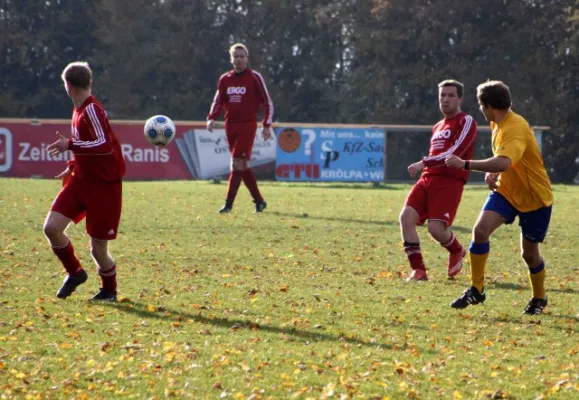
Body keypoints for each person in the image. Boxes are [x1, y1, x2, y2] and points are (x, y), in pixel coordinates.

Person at [445, 80, 552, 315]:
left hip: (534, 198)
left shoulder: (515, 127)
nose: (480, 110)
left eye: (481, 105)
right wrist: (492, 172)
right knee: (480, 231)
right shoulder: (497, 122)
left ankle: (539, 298)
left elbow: (504, 161)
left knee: (529, 254)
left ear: (490, 106)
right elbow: (504, 160)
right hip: (507, 192)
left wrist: (464, 164)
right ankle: (477, 289)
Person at [44, 61, 125, 302]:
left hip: (105, 186)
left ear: (67, 86)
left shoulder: (92, 109)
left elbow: (103, 145)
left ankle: (109, 290)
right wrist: (71, 166)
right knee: (51, 228)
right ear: (89, 82)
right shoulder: (79, 108)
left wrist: (69, 145)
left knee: (98, 249)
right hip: (81, 180)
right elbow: (87, 144)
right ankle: (75, 273)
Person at [400, 79, 478, 281]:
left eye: (451, 95)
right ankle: (418, 270)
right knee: (406, 219)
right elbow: (437, 152)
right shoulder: (438, 126)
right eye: (442, 95)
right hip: (427, 179)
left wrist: (422, 163)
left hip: (449, 181)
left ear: (460, 98)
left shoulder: (466, 121)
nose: (446, 99)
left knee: (436, 229)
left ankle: (457, 250)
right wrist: (426, 166)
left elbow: (454, 153)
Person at [206, 43, 274, 213]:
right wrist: (211, 118)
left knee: (236, 162)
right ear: (231, 59)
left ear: (247, 58)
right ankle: (259, 201)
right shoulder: (225, 79)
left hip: (247, 125)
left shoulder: (254, 77)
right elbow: (219, 100)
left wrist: (266, 125)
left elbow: (267, 102)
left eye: (241, 56)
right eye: (235, 56)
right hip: (231, 126)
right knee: (242, 165)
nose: (238, 59)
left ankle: (228, 205)